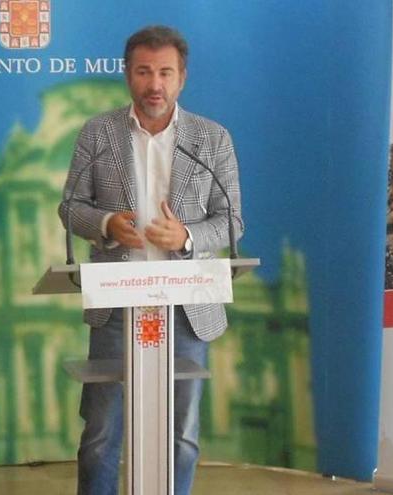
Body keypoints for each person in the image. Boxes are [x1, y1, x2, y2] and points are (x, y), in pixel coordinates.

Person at [58, 25, 243, 495]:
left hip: (186, 309)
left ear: (182, 78)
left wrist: (186, 236)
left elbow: (232, 222)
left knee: (181, 436)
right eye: (143, 72)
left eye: (164, 72)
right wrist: (104, 224)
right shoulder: (98, 133)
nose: (154, 84)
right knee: (100, 435)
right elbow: (71, 207)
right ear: (127, 76)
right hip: (117, 308)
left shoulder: (212, 138)